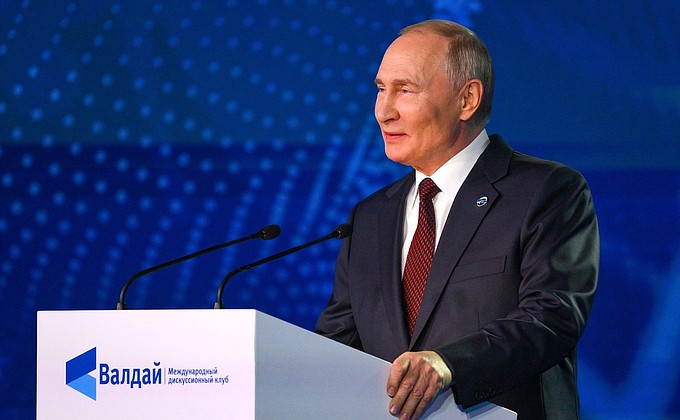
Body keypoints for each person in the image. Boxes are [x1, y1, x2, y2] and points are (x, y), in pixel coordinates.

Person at [315, 19, 599, 420]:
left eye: (405, 90)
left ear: (467, 99)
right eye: (380, 89)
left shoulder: (545, 191)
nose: (383, 112)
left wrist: (447, 364)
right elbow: (335, 347)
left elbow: (552, 317)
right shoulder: (370, 217)